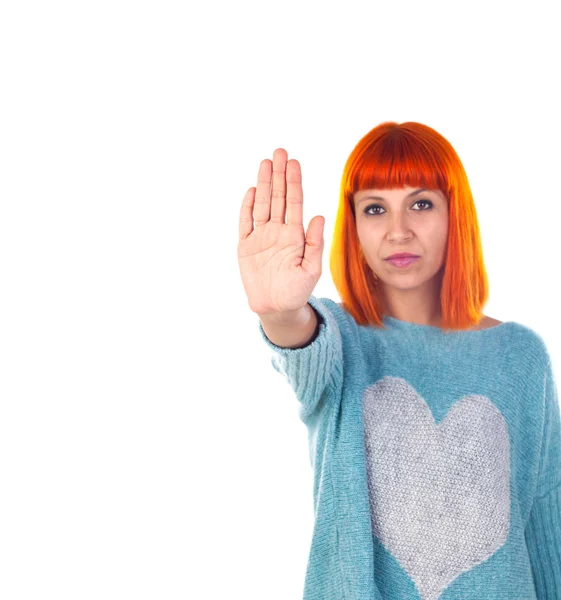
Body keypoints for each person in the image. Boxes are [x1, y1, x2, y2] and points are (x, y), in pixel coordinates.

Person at [237, 122, 561, 600]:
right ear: (355, 227)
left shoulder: (520, 356)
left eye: (421, 203)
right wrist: (280, 312)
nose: (398, 230)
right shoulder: (339, 336)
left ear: (455, 213)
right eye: (375, 208)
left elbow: (543, 517)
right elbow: (300, 345)